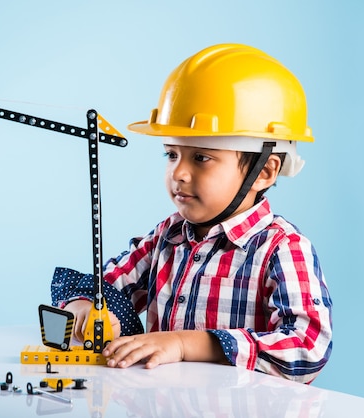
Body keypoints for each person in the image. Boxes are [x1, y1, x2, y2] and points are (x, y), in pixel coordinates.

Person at [50, 43, 332, 384]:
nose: (178, 173)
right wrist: (86, 308)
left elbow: (307, 348)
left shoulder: (282, 248)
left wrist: (186, 343)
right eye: (171, 154)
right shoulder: (165, 238)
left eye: (201, 157)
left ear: (264, 172)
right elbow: (103, 286)